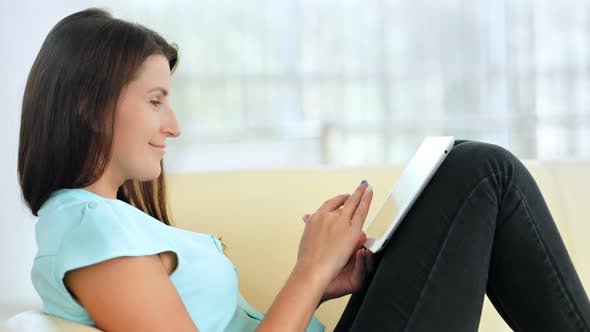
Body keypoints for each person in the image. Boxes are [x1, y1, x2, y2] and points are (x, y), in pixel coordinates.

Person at [17, 7, 589, 332]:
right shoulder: (90, 226)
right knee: (479, 170)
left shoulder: (108, 222)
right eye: (154, 100)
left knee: (470, 169)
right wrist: (308, 272)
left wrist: (321, 285)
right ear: (87, 104)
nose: (174, 125)